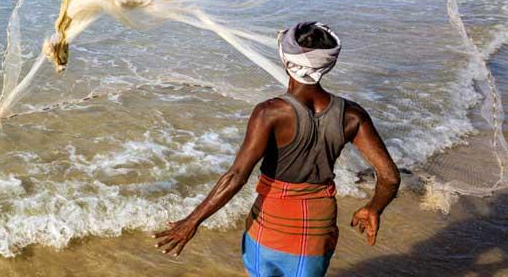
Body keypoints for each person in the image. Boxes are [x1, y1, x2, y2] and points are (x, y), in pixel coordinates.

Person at [153, 21, 401, 277]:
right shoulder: (352, 115)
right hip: (318, 230)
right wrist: (373, 208)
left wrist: (192, 221)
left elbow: (236, 176)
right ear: (328, 65)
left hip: (270, 224)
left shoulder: (269, 113)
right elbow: (390, 178)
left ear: (286, 62)